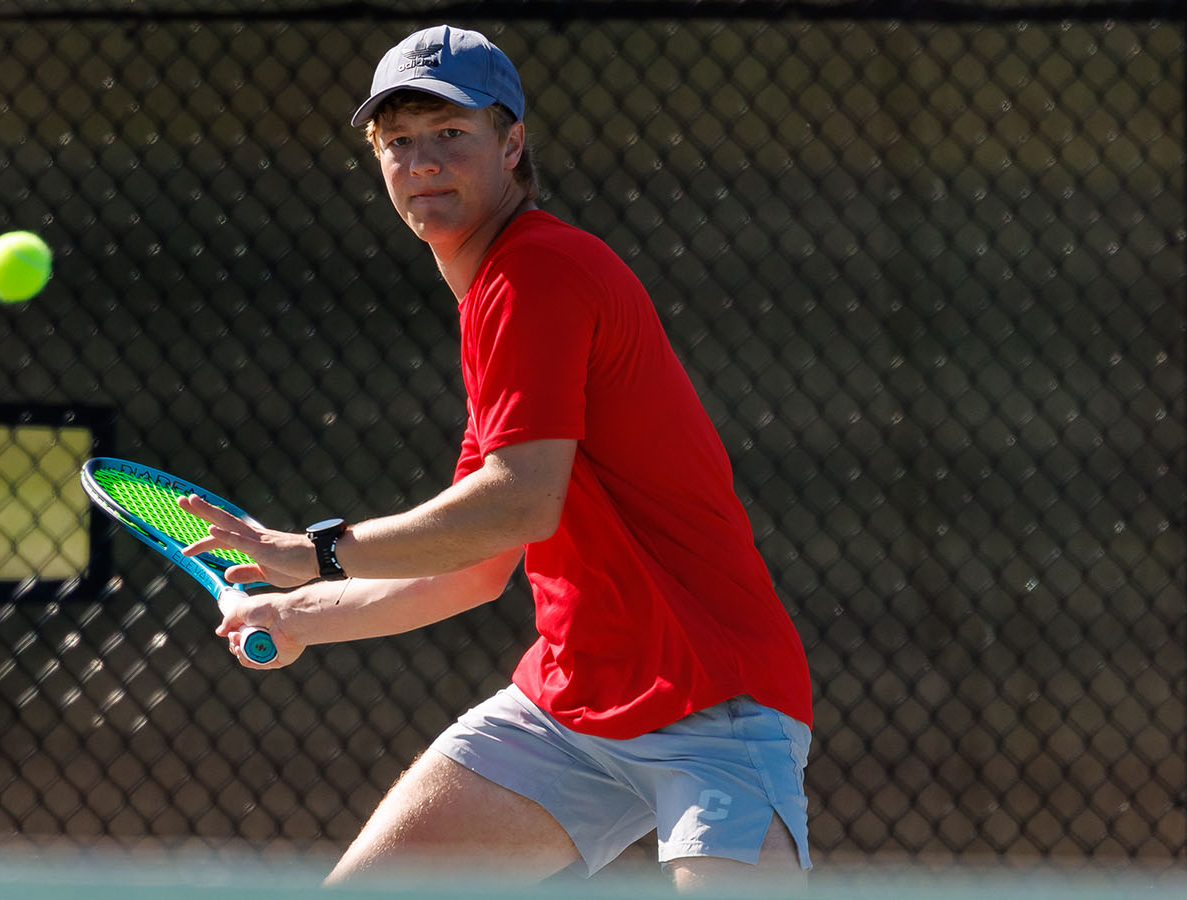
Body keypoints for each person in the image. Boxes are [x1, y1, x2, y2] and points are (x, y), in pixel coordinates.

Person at [181, 24, 814, 893]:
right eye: (399, 142)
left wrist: (310, 552)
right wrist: (300, 616)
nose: (425, 161)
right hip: (567, 708)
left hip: (717, 703)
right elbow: (476, 569)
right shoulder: (495, 299)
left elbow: (520, 505)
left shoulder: (536, 275)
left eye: (451, 135)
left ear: (512, 145)